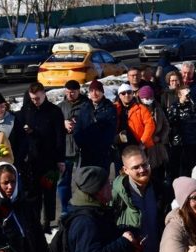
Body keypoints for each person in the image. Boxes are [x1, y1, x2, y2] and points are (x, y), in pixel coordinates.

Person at [12, 81, 66, 233]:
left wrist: (60, 160)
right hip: (31, 161)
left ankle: (47, 222)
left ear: (44, 95)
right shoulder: (24, 112)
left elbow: (59, 137)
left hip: (50, 160)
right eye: (32, 98)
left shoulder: (54, 111)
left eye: (38, 98)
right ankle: (34, 222)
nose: (35, 101)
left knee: (49, 192)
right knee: (33, 194)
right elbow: (18, 136)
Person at [57, 79, 88, 217]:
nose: (70, 94)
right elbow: (53, 128)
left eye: (73, 92)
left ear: (78, 91)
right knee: (63, 181)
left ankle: (83, 205)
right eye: (68, 92)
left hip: (82, 147)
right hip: (66, 149)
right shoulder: (60, 107)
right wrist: (62, 124)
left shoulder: (86, 105)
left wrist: (79, 124)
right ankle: (65, 208)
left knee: (83, 179)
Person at [73, 80, 118, 171]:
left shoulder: (109, 108)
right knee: (87, 180)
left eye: (97, 90)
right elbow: (78, 128)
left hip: (102, 153)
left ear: (102, 92)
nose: (94, 93)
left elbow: (110, 132)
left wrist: (100, 146)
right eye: (91, 91)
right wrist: (82, 143)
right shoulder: (84, 107)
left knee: (101, 180)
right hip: (86, 152)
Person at [166, 85, 196, 182]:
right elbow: (170, 121)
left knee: (190, 164)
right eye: (186, 95)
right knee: (176, 165)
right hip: (178, 141)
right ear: (179, 95)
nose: (188, 96)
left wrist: (193, 104)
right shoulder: (174, 106)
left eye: (189, 94)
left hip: (192, 140)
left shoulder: (194, 105)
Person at [138, 85, 170, 187]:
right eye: (146, 98)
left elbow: (166, 125)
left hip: (158, 147)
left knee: (159, 174)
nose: (148, 100)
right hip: (144, 148)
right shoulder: (138, 109)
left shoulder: (157, 108)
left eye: (150, 98)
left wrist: (160, 137)